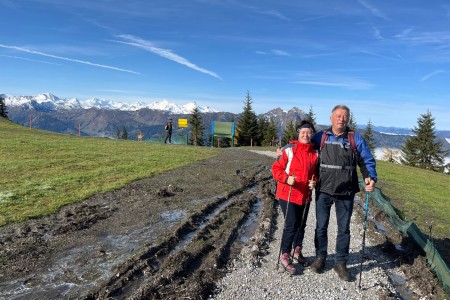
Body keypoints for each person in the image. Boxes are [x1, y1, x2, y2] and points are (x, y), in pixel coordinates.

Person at [310, 105, 377, 282]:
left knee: (344, 229)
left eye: (345, 116)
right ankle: (320, 257)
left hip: (346, 191)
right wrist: (286, 150)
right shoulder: (320, 136)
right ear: (331, 118)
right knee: (321, 226)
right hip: (323, 189)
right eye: (338, 116)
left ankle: (340, 263)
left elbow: (366, 160)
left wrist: (370, 177)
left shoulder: (355, 138)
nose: (342, 119)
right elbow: (305, 149)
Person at [272, 120, 319, 275]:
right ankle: (285, 254)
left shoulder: (315, 153)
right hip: (287, 193)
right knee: (291, 224)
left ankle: (297, 250)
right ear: (298, 134)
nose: (306, 135)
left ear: (312, 134)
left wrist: (314, 181)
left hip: (304, 195)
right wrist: (286, 178)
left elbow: (316, 173)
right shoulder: (289, 150)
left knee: (301, 225)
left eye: (309, 132)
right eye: (303, 132)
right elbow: (276, 168)